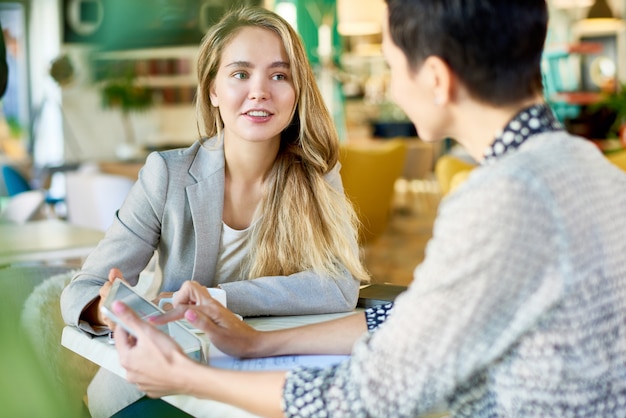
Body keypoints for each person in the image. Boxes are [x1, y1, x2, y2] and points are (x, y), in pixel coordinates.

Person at [111, 0, 626, 416]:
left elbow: (369, 394)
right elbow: (413, 314)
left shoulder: (502, 199)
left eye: (392, 62)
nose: (394, 87)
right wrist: (255, 345)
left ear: (436, 79)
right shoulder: (586, 166)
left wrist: (190, 378)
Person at [60, 6, 369, 417]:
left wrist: (217, 299)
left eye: (279, 76)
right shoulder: (166, 175)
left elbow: (339, 286)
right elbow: (80, 291)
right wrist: (108, 310)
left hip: (256, 383)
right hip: (157, 390)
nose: (260, 91)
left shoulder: (317, 174)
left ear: (297, 92)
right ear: (213, 90)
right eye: (240, 74)